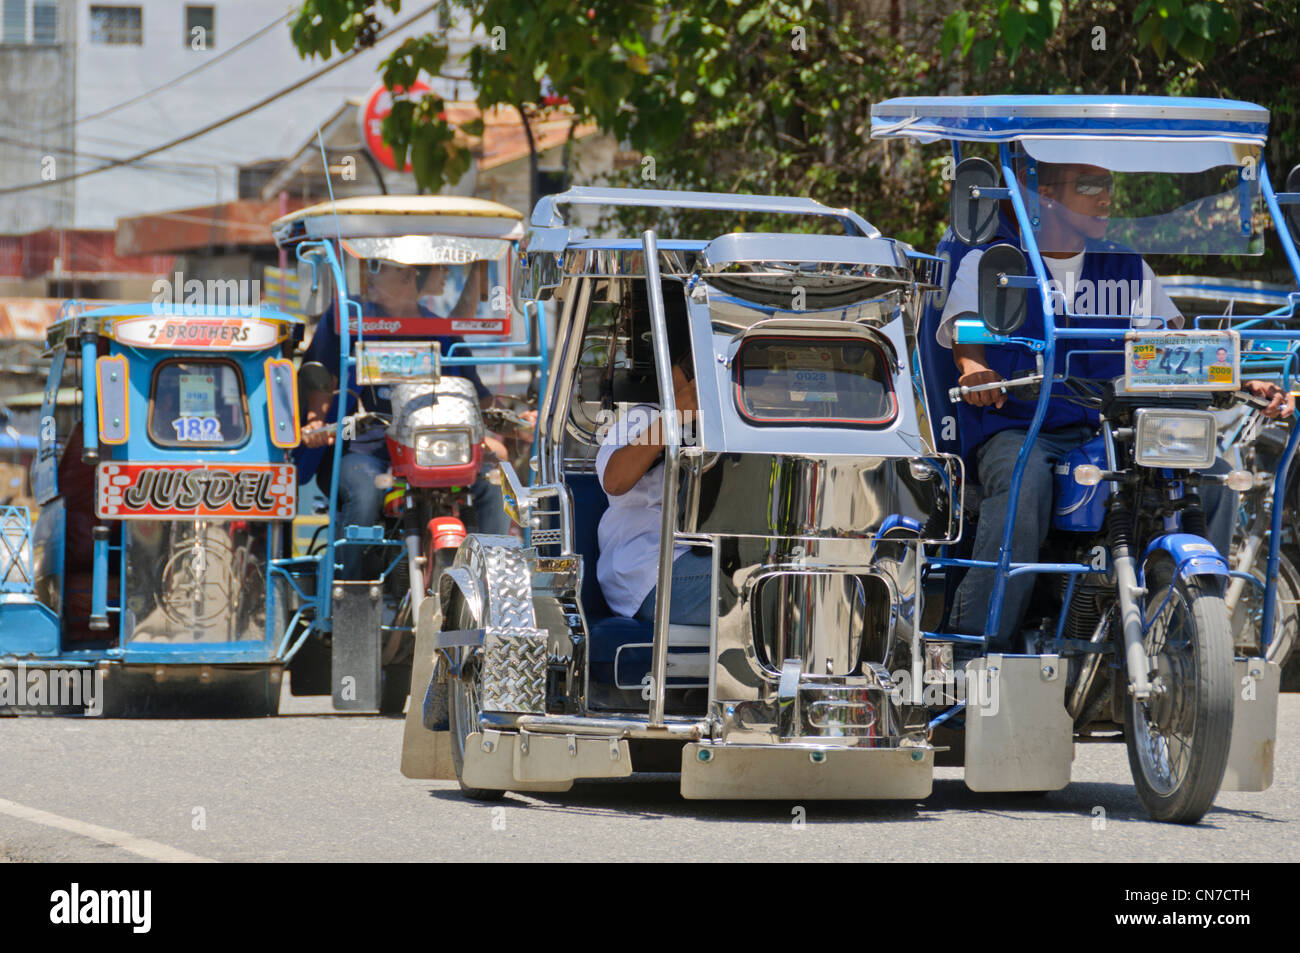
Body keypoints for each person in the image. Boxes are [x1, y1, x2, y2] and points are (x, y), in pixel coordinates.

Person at [938, 158, 1294, 647]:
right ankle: (978, 644)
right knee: (1023, 484)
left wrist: (1243, 382)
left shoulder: (1128, 268)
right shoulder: (994, 263)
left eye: (1109, 185)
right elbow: (967, 340)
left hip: (1117, 428)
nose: (1106, 198)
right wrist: (975, 370)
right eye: (1089, 186)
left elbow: (1174, 348)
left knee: (1214, 477)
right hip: (1025, 426)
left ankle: (1190, 638)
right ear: (1043, 195)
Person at [299, 260, 512, 577]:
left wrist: (512, 419)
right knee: (366, 493)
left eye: (378, 268)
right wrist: (317, 423)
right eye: (369, 267)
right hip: (363, 450)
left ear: (410, 274)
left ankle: (492, 581)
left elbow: (478, 398)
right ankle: (351, 592)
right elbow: (321, 381)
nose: (369, 277)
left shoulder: (443, 333)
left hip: (434, 452)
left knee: (494, 485)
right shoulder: (348, 319)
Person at [595, 352, 710, 626]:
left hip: (705, 556)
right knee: (777, 585)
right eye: (688, 369)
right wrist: (674, 416)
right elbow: (615, 480)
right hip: (648, 569)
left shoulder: (734, 426)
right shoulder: (645, 416)